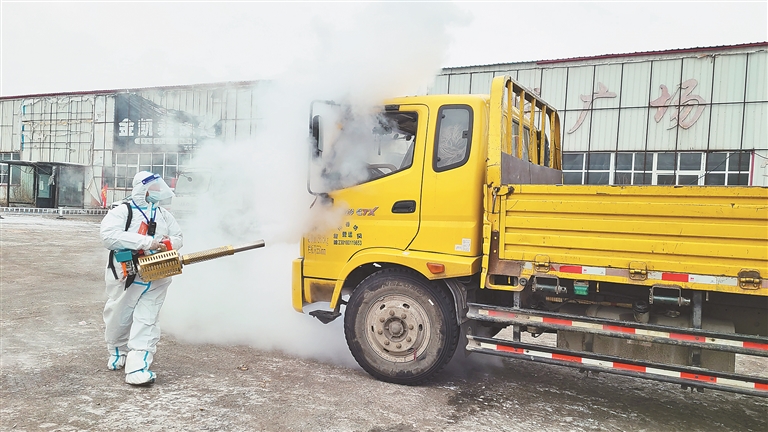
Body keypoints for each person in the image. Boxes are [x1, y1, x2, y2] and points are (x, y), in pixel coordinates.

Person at [100, 171, 183, 385]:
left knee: (148, 318)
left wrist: (166, 243)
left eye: (158, 187)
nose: (156, 192)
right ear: (141, 188)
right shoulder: (122, 211)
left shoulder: (163, 214)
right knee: (119, 315)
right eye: (152, 188)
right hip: (127, 273)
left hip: (157, 273)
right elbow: (108, 236)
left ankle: (138, 366)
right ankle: (117, 350)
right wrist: (145, 242)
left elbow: (178, 236)